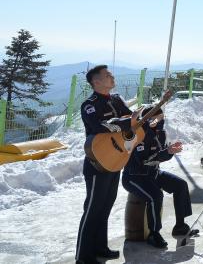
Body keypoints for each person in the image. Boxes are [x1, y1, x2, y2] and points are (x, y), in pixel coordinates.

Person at [76, 65, 137, 264]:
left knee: (106, 207)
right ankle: (83, 256)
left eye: (111, 74)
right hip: (97, 163)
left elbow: (130, 119)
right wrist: (125, 123)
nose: (112, 77)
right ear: (96, 82)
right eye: (107, 75)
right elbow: (98, 126)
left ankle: (100, 248)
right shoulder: (89, 104)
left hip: (115, 159)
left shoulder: (116, 99)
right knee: (93, 209)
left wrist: (144, 117)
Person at [121, 106, 192, 249]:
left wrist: (170, 150)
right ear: (150, 120)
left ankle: (180, 225)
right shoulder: (137, 134)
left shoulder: (160, 133)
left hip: (153, 173)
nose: (162, 121)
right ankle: (154, 233)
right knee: (156, 196)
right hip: (135, 177)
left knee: (181, 185)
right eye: (160, 118)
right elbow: (144, 160)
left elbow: (159, 156)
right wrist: (168, 152)